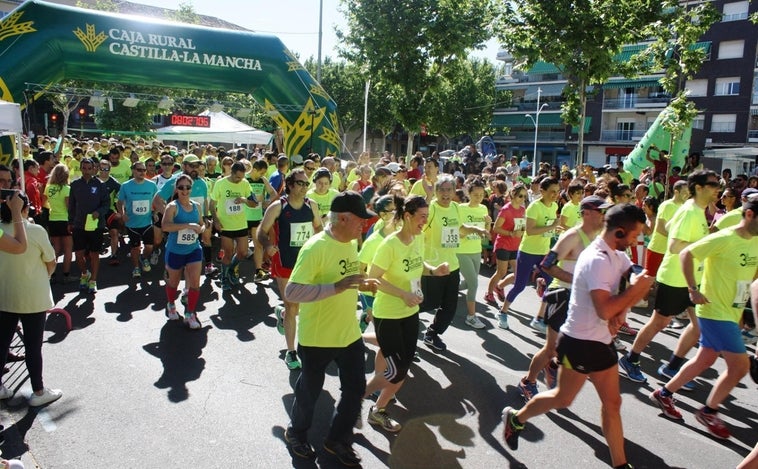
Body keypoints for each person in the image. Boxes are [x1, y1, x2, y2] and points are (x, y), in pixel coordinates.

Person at [502, 203, 653, 469]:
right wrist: (635, 292)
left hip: (602, 342)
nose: (635, 241)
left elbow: (632, 273)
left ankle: (620, 464)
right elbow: (605, 309)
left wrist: (638, 281)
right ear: (619, 232)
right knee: (563, 398)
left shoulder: (617, 255)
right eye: (633, 235)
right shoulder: (595, 258)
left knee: (613, 403)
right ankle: (516, 418)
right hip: (579, 343)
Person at [649, 197, 758, 439]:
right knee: (739, 366)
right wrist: (692, 289)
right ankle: (709, 411)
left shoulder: (756, 240)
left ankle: (664, 394)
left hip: (732, 311)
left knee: (704, 359)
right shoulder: (725, 238)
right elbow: (687, 253)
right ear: (750, 215)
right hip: (713, 309)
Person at [282, 191, 378, 466]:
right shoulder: (315, 247)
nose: (364, 226)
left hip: (348, 333)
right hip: (318, 337)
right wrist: (336, 287)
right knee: (309, 393)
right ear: (344, 219)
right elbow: (292, 291)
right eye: (360, 220)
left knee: (355, 387)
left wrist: (361, 283)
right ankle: (296, 433)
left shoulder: (350, 242)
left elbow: (346, 278)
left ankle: (337, 439)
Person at [619, 170, 720, 386]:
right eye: (712, 184)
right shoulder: (690, 212)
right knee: (660, 322)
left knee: (698, 325)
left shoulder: (699, 211)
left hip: (691, 279)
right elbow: (674, 246)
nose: (717, 188)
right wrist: (705, 246)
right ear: (699, 188)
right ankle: (631, 359)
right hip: (675, 278)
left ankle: (672, 366)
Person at [516, 195, 608, 401]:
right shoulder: (573, 237)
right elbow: (546, 265)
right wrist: (577, 279)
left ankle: (553, 365)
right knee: (551, 348)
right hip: (563, 297)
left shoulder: (600, 236)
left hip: (584, 300)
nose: (604, 215)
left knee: (579, 345)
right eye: (600, 211)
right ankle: (528, 381)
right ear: (586, 213)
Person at [0, 193, 63, 407]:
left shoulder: (2, 230)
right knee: (33, 346)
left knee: (2, 343)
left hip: (5, 294)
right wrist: (44, 276)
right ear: (24, 208)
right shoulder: (36, 231)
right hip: (33, 296)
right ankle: (38, 390)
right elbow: (51, 261)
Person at [258, 168, 323, 370]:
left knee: (301, 306)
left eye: (306, 183)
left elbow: (319, 228)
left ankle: (284, 316)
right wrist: (267, 246)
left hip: (305, 262)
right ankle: (291, 352)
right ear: (290, 185)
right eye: (301, 183)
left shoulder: (311, 205)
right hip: (284, 261)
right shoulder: (278, 207)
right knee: (292, 306)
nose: (305, 187)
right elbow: (262, 231)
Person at [498, 177, 561, 331]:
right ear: (542, 191)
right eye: (552, 191)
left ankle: (539, 318)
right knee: (520, 285)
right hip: (528, 251)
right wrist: (551, 226)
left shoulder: (554, 206)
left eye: (557, 191)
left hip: (544, 252)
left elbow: (547, 227)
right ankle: (503, 312)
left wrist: (555, 229)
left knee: (552, 285)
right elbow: (530, 230)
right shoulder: (534, 207)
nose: (555, 194)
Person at [161, 174, 205, 330]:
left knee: (195, 283)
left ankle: (190, 314)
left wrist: (201, 228)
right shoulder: (172, 207)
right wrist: (188, 224)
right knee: (173, 283)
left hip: (193, 249)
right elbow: (165, 226)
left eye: (188, 187)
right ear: (176, 189)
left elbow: (201, 224)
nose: (185, 190)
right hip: (175, 251)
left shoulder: (197, 206)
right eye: (181, 187)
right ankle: (171, 304)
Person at [210, 161, 258, 290]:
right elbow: (211, 204)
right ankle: (224, 278)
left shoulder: (245, 183)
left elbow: (254, 203)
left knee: (242, 253)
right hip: (226, 225)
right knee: (228, 253)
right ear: (231, 172)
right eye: (237, 177)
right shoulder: (220, 183)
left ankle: (230, 269)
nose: (239, 180)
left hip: (241, 224)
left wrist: (244, 200)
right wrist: (216, 220)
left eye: (242, 177)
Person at [68, 158, 110, 294]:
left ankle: (93, 280)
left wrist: (99, 212)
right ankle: (84, 274)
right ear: (80, 169)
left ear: (94, 169)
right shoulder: (75, 185)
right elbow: (71, 206)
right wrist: (70, 222)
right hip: (79, 224)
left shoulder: (100, 185)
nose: (86, 171)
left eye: (89, 168)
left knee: (94, 253)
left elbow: (106, 204)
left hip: (95, 225)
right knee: (79, 254)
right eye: (84, 168)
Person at [456, 178, 491, 329]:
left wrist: (488, 223)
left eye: (481, 194)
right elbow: (459, 232)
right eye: (475, 194)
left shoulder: (483, 209)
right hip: (461, 251)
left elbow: (486, 232)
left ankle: (448, 290)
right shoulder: (460, 208)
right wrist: (473, 229)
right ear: (468, 193)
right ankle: (471, 317)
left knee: (469, 283)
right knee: (474, 284)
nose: (479, 197)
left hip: (476, 250)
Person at [486, 184, 527, 304]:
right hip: (503, 245)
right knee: (501, 272)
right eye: (520, 196)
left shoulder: (522, 210)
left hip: (515, 245)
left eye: (525, 196)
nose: (523, 199)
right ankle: (488, 293)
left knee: (518, 273)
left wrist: (522, 231)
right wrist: (510, 233)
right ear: (513, 195)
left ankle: (499, 287)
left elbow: (522, 227)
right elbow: (496, 228)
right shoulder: (506, 210)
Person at [117, 162, 158, 279]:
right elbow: (119, 203)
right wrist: (122, 214)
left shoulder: (151, 185)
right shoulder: (125, 185)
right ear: (133, 171)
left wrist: (155, 213)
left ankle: (144, 258)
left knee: (149, 247)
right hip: (132, 223)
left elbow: (157, 201)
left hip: (147, 222)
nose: (142, 172)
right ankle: (136, 267)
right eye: (139, 170)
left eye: (144, 170)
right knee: (135, 248)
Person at [245, 159, 278, 282]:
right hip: (242, 218)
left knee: (258, 244)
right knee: (240, 249)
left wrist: (267, 202)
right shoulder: (245, 179)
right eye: (261, 173)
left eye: (264, 173)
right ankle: (233, 270)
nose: (263, 175)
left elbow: (273, 193)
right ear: (254, 170)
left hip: (256, 217)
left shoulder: (263, 180)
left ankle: (258, 271)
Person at [43, 163, 73, 283]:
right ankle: (66, 275)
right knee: (68, 249)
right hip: (65, 220)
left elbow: (44, 203)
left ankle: (52, 274)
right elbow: (68, 207)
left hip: (53, 219)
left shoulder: (48, 187)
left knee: (56, 248)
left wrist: (53, 208)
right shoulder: (67, 189)